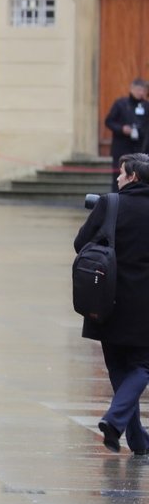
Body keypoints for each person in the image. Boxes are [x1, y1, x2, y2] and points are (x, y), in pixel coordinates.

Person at [76, 153, 149, 455]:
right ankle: (118, 422)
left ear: (133, 177)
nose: (117, 178)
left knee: (120, 367)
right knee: (142, 365)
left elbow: (81, 244)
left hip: (107, 301)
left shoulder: (110, 204)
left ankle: (134, 437)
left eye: (121, 173)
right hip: (144, 305)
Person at [104, 79, 149, 192]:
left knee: (140, 177)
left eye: (143, 90)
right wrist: (122, 129)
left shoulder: (146, 106)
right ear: (132, 89)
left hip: (140, 149)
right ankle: (117, 201)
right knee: (119, 177)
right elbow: (109, 121)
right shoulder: (120, 104)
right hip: (122, 148)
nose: (141, 93)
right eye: (138, 89)